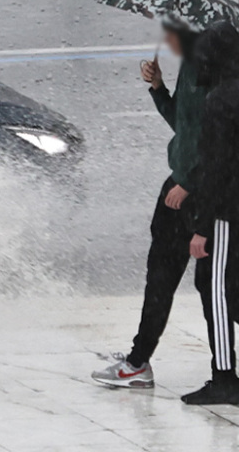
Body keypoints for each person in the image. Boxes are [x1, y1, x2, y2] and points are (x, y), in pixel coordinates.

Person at [93, 24, 205, 389]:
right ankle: (139, 356)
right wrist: (158, 88)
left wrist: (187, 183)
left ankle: (139, 361)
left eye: (170, 33)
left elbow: (215, 140)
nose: (164, 41)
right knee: (164, 276)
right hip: (180, 185)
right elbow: (182, 125)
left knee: (169, 278)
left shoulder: (208, 74)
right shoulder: (192, 68)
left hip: (191, 192)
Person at [182, 21, 239, 405]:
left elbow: (217, 166)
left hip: (228, 213)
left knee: (215, 288)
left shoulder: (220, 101)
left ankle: (224, 377)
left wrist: (202, 227)